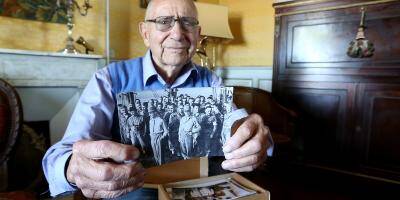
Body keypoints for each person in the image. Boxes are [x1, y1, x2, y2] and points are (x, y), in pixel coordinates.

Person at [42, 0, 272, 199]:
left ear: (198, 34)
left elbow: (240, 126)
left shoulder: (210, 80)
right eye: (164, 21)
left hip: (195, 188)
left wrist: (257, 139)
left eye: (188, 23)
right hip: (129, 192)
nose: (177, 33)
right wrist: (72, 169)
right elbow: (62, 153)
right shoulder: (108, 79)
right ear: (145, 33)